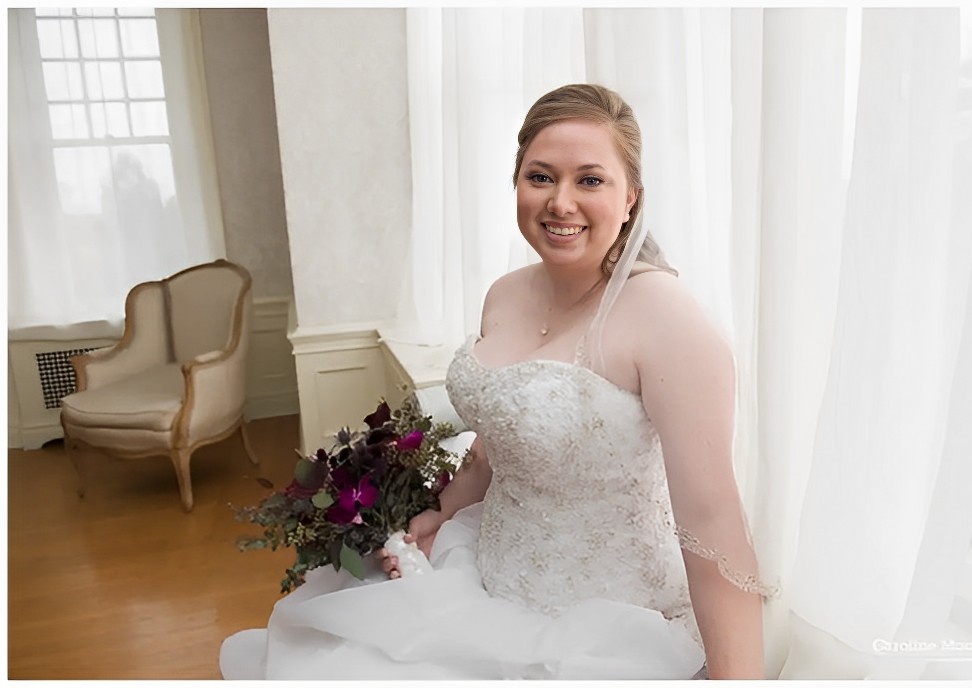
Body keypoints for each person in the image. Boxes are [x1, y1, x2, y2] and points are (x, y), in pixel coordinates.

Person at [220, 83, 776, 680]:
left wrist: (734, 676)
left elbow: (714, 518)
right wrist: (441, 512)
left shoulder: (666, 319)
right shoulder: (505, 295)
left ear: (631, 199)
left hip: (607, 621)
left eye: (590, 180)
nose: (561, 202)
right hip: (483, 572)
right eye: (541, 177)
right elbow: (496, 446)